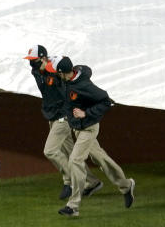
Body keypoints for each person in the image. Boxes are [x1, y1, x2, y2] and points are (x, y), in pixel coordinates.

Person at [46, 56, 135, 217]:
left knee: (75, 160)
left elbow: (106, 101)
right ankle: (126, 185)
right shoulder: (69, 77)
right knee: (100, 158)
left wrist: (86, 113)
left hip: (88, 128)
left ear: (63, 72)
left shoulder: (83, 85)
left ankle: (73, 206)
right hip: (77, 128)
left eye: (56, 72)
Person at [23, 44, 101, 200]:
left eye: (34, 61)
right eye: (30, 61)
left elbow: (79, 73)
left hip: (63, 117)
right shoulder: (36, 71)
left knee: (50, 150)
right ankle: (92, 182)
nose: (31, 64)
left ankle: (71, 181)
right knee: (72, 154)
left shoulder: (57, 70)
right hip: (52, 116)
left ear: (43, 58)